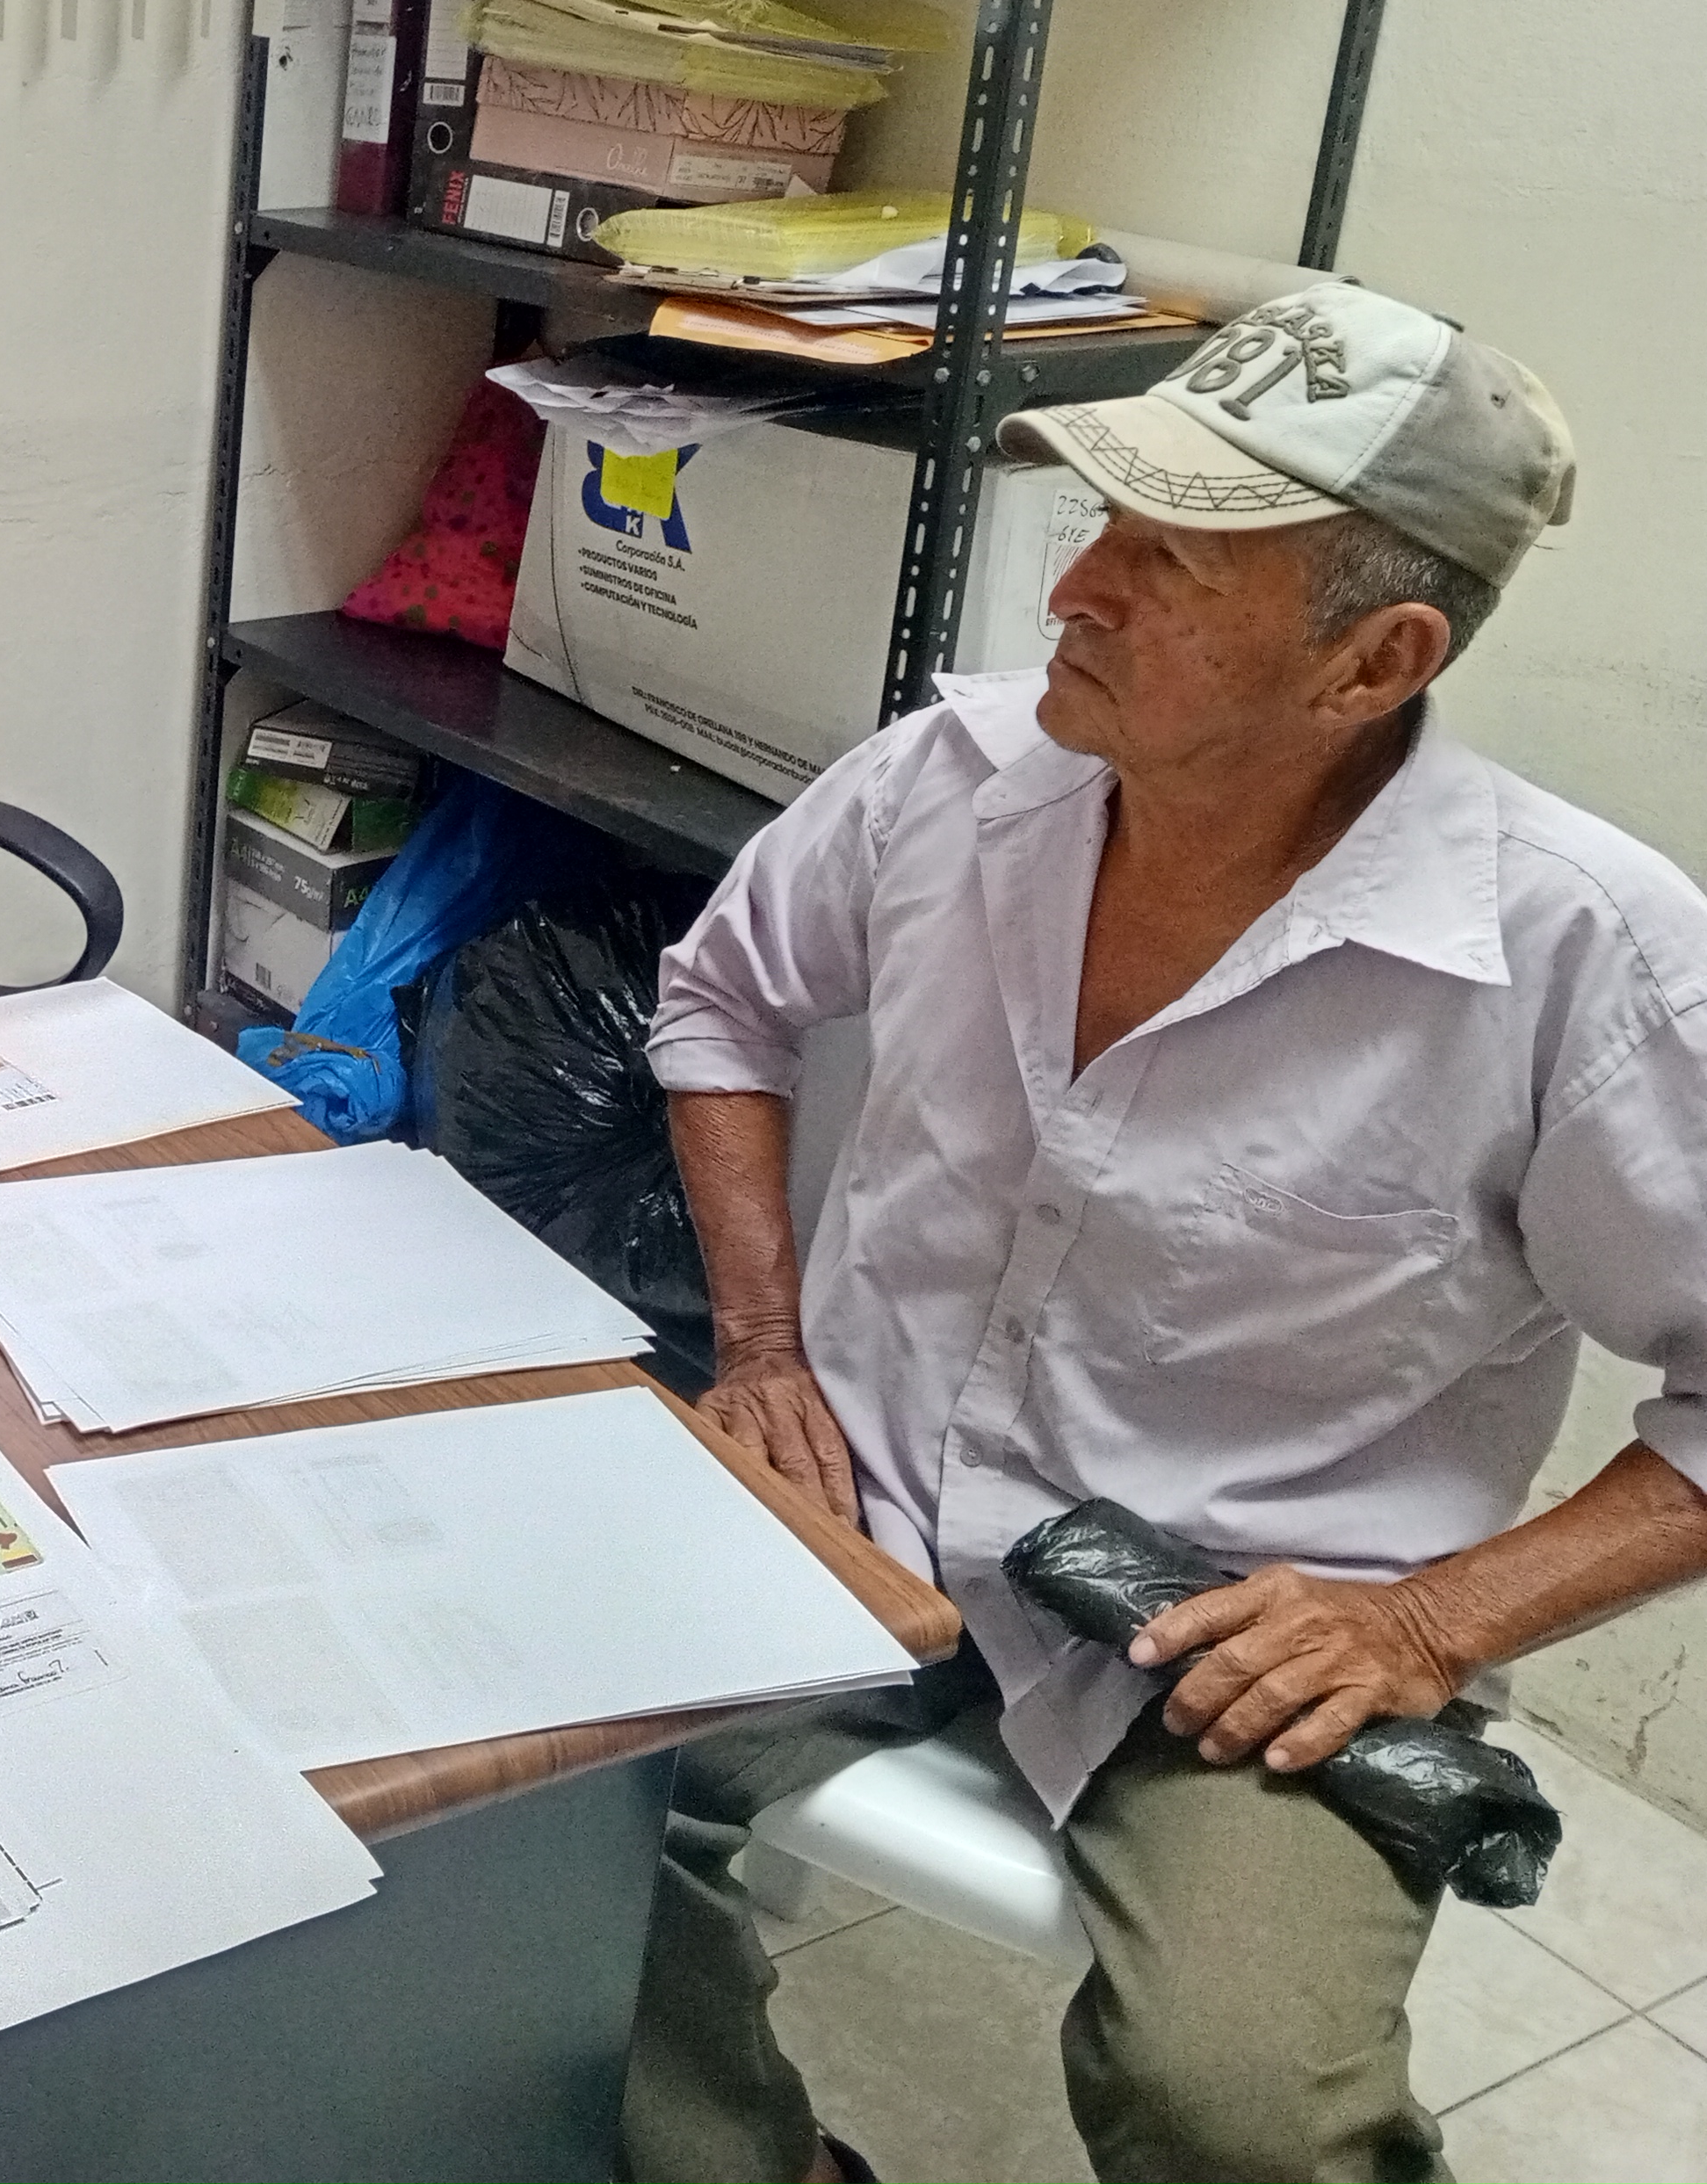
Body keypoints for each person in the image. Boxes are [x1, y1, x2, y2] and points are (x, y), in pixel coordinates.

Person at [623, 284, 1707, 2184]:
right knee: (508, 1816)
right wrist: (767, 1349)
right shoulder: (947, 782)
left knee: (1236, 2102)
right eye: (1099, 527)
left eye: (1173, 565)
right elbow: (723, 1002)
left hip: (1247, 1618)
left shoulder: (1577, 959)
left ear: (1373, 662)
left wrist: (1428, 1622)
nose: (1075, 592)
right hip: (869, 1493)